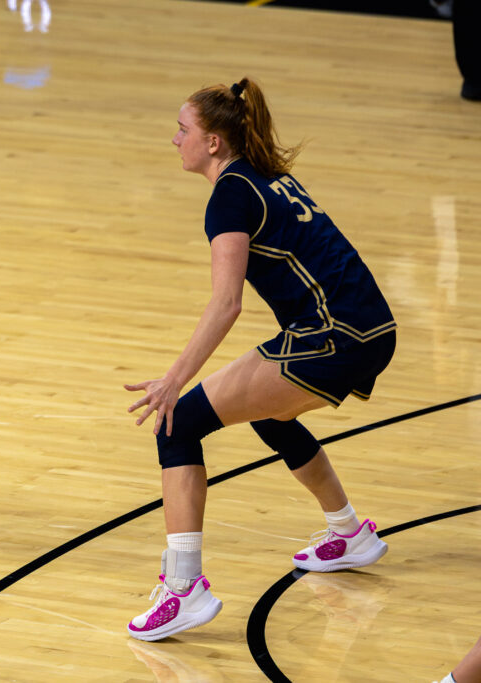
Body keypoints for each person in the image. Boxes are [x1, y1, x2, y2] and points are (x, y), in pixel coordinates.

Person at [123, 77, 396, 642]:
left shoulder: (230, 196)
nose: (174, 139)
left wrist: (173, 380)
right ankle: (349, 533)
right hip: (370, 326)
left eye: (182, 129)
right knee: (271, 413)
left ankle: (184, 589)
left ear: (214, 143)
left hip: (334, 335)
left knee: (179, 423)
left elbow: (226, 304)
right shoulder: (265, 176)